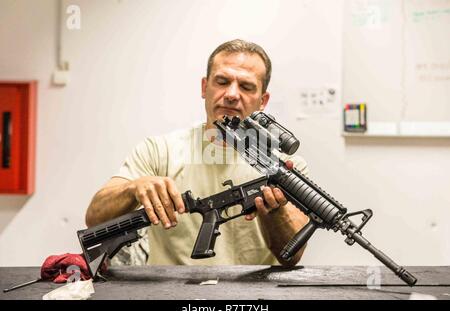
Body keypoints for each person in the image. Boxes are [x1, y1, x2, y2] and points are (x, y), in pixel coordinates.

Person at [85, 39, 310, 267]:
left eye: (246, 86)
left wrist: (274, 212)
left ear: (263, 101)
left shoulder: (287, 166)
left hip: (253, 297)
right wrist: (133, 188)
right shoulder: (159, 151)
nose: (232, 94)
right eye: (222, 81)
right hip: (169, 292)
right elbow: (95, 218)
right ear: (205, 87)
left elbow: (291, 256)